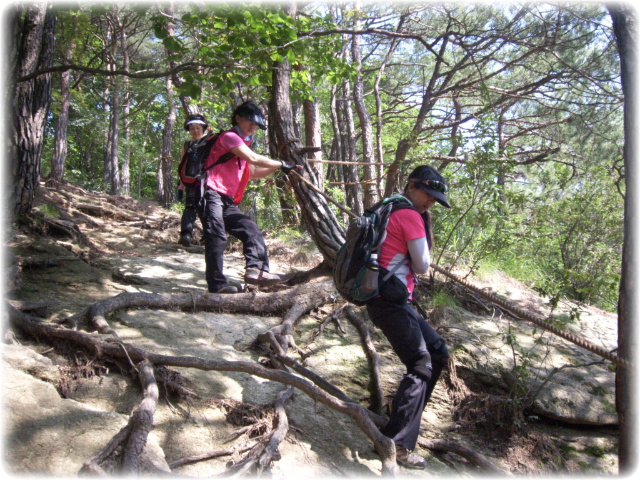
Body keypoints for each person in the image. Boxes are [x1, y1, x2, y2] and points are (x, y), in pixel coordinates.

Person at [368, 165, 451, 469]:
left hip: (387, 298)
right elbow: (422, 265)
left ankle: (397, 411)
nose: (431, 201)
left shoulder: (390, 207)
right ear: (413, 187)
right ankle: (397, 443)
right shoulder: (409, 215)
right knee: (421, 363)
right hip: (389, 300)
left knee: (438, 353)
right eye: (428, 194)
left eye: (435, 197)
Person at [199, 100, 297, 294]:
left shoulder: (242, 144)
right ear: (238, 118)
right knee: (217, 237)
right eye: (250, 121)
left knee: (250, 229)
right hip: (210, 193)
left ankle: (257, 270)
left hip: (226, 199)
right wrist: (281, 163)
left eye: (257, 124)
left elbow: (253, 171)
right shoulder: (229, 137)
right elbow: (253, 158)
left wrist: (284, 168)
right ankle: (217, 285)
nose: (253, 127)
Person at [178, 113, 209, 247]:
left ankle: (209, 237)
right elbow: (183, 165)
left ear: (203, 128)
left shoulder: (210, 142)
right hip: (190, 181)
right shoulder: (187, 145)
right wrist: (180, 186)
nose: (195, 131)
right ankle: (186, 235)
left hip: (207, 182)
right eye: (192, 128)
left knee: (206, 209)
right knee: (189, 208)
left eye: (198, 128)